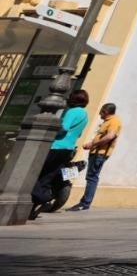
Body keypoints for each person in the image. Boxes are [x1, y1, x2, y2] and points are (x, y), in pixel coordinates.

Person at [29, 89, 90, 220]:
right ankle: (36, 205)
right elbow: (78, 133)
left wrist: (49, 130)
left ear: (73, 99)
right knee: (48, 176)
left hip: (56, 147)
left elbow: (63, 129)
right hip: (68, 149)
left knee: (35, 172)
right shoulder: (85, 114)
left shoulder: (72, 112)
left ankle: (41, 198)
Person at [67, 103, 122, 212]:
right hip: (96, 153)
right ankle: (85, 202)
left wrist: (93, 145)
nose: (99, 114)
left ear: (105, 111)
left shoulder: (114, 121)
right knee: (91, 177)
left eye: (101, 111)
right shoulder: (108, 121)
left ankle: (85, 203)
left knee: (92, 177)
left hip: (100, 154)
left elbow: (110, 136)